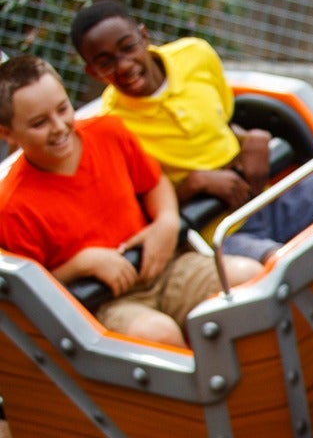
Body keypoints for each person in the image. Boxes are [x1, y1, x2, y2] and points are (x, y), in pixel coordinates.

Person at [70, 1, 313, 263]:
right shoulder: (112, 128)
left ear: (144, 36)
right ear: (93, 73)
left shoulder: (195, 55)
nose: (124, 65)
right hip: (219, 234)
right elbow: (144, 213)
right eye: (106, 63)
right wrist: (195, 184)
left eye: (128, 47)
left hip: (270, 197)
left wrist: (251, 137)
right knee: (289, 263)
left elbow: (220, 119)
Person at [0, 56, 260, 345]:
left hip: (165, 268)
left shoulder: (108, 133)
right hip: (103, 303)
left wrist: (166, 220)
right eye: (39, 123)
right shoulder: (12, 207)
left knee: (248, 277)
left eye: (63, 109)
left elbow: (154, 182)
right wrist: (82, 264)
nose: (59, 126)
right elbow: (31, 296)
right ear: (6, 132)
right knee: (156, 334)